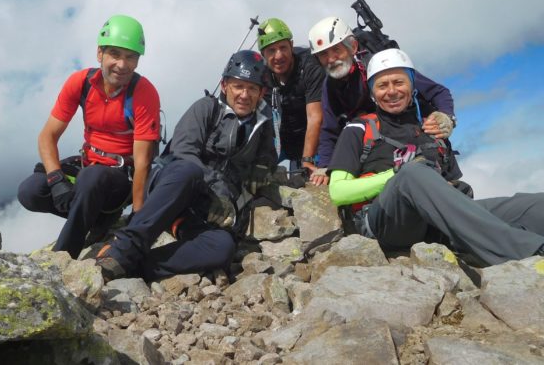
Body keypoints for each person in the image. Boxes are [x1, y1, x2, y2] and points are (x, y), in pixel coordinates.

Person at [327, 48, 544, 266]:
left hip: (438, 222)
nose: (392, 91)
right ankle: (528, 251)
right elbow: (338, 192)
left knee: (533, 206)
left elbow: (452, 187)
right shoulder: (359, 129)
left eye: (399, 82)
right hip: (388, 223)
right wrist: (395, 175)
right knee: (412, 173)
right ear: (373, 92)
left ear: (412, 85)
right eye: (382, 85)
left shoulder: (431, 129)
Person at [93, 50, 278, 281]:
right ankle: (123, 249)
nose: (244, 94)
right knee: (187, 170)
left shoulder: (263, 123)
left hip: (199, 211)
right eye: (238, 86)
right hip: (170, 189)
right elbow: (183, 151)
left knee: (222, 246)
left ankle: (138, 268)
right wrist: (216, 194)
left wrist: (263, 167)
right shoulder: (206, 108)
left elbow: (269, 155)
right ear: (224, 85)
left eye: (252, 88)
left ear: (261, 93)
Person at [17, 15, 160, 259]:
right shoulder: (81, 83)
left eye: (130, 57)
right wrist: (56, 179)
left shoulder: (143, 92)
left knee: (91, 178)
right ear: (99, 54)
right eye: (115, 54)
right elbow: (47, 136)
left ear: (137, 61)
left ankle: (63, 258)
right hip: (87, 169)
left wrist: (137, 216)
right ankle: (98, 218)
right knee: (30, 191)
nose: (122, 64)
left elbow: (143, 162)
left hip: (118, 181)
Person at [308, 16, 456, 184]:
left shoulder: (381, 67)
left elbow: (438, 92)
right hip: (379, 144)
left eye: (336, 50)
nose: (331, 59)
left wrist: (446, 117)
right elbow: (330, 128)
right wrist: (325, 166)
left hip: (412, 132)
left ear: (353, 46)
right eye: (323, 54)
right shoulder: (330, 85)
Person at [256, 18, 326, 185]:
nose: (278, 56)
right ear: (263, 54)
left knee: (305, 180)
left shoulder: (310, 66)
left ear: (292, 45)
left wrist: (307, 159)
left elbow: (315, 117)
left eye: (283, 48)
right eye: (271, 50)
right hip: (281, 139)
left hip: (313, 139)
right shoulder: (261, 76)